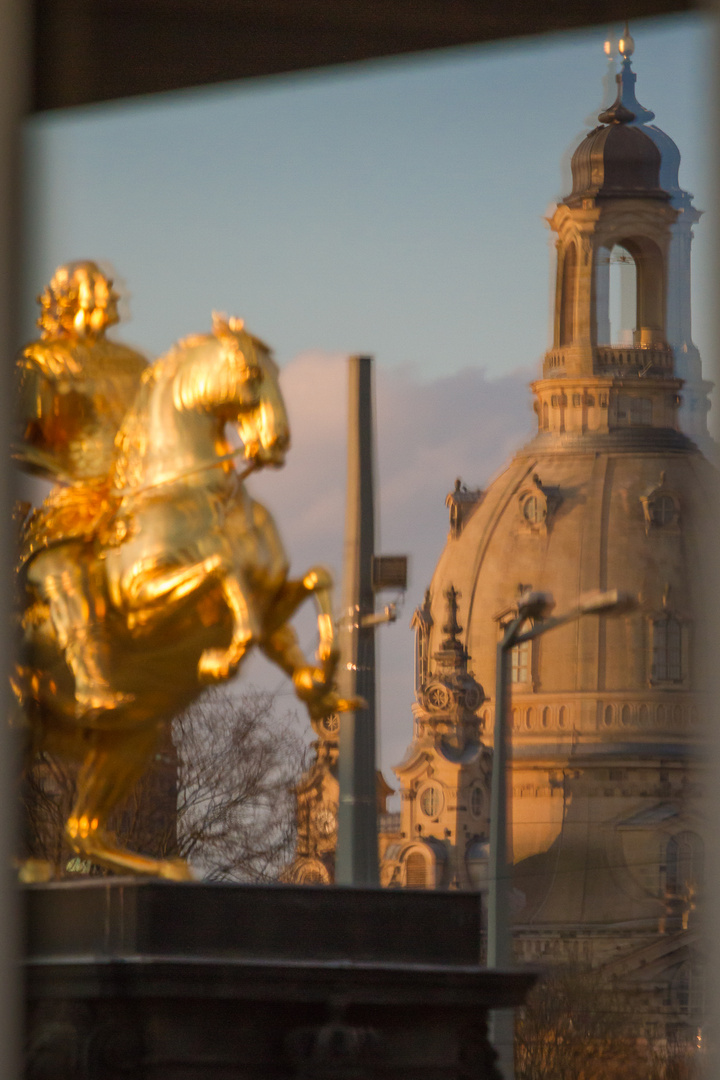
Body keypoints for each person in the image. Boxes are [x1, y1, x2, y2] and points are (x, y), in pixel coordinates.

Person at [15, 261, 148, 716]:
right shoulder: (40, 362)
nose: (106, 304)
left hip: (136, 497)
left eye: (106, 294)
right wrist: (64, 468)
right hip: (75, 502)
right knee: (66, 568)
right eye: (94, 295)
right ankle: (92, 679)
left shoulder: (135, 363)